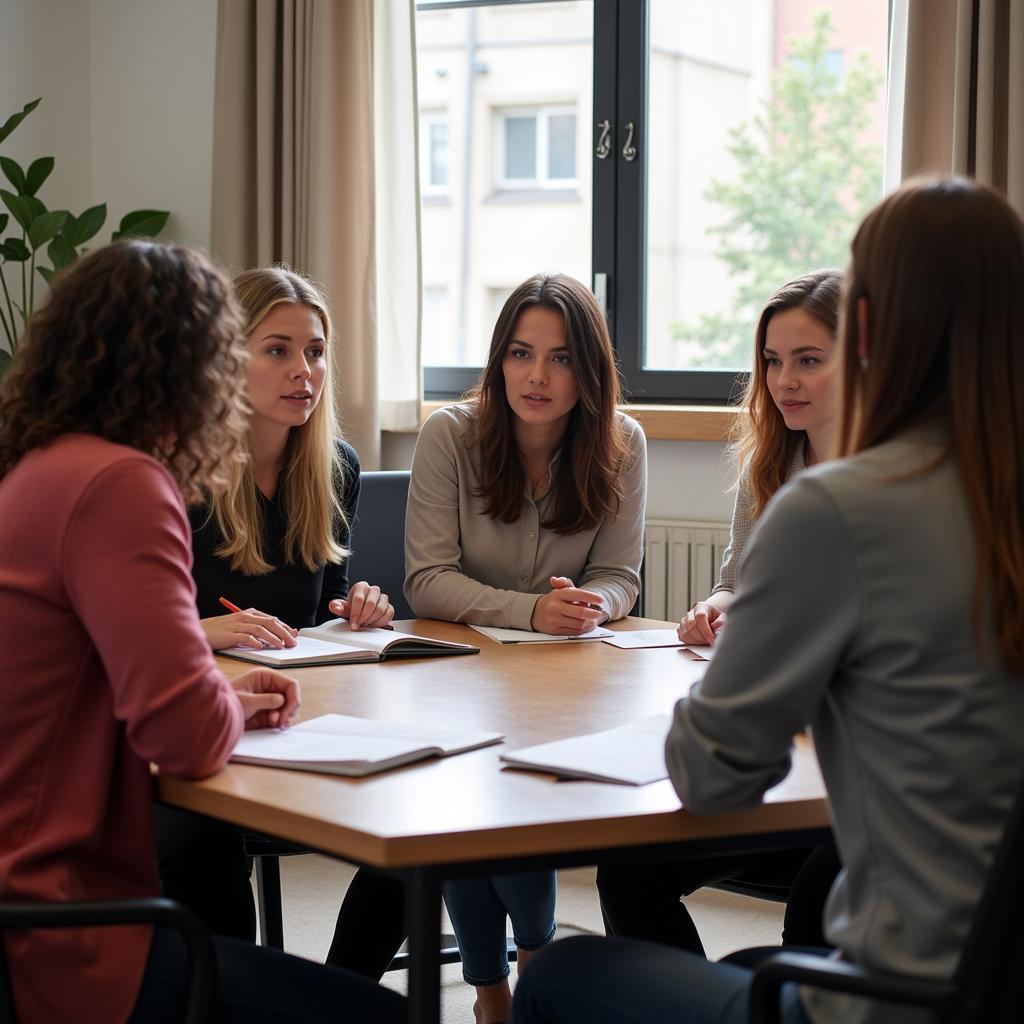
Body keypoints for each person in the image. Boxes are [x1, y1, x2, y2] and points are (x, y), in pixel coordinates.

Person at [512, 177, 1024, 1024]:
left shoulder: (841, 509)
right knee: (747, 955)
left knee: (560, 976)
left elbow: (712, 773)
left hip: (892, 1000)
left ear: (864, 328)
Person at [0, 240, 405, 1023]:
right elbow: (184, 736)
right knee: (379, 1015)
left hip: (33, 883)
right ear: (186, 366)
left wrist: (217, 691)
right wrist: (216, 696)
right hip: (61, 922)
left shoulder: (42, 468)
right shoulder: (124, 485)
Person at [405, 272, 647, 1022]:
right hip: (458, 675)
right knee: (470, 798)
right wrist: (530, 610)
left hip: (562, 680)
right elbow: (425, 580)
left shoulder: (623, 443)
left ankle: (516, 977)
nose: (536, 376)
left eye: (561, 358)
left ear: (591, 371)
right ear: (497, 360)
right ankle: (502, 983)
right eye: (519, 353)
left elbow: (618, 576)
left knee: (516, 795)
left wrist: (589, 605)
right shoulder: (451, 434)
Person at [154, 265, 404, 981]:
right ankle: (234, 994)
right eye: (278, 350)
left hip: (291, 717)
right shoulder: (176, 471)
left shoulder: (335, 469)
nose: (304, 370)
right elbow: (118, 633)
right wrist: (206, 629)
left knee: (421, 826)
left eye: (316, 352)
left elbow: (324, 604)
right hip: (197, 725)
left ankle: (339, 993)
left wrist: (358, 612)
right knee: (197, 837)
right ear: (226, 356)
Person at [597, 271, 843, 957]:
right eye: (771, 361)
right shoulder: (773, 458)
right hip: (786, 757)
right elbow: (739, 581)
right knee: (631, 869)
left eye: (808, 360)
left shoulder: (891, 487)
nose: (784, 380)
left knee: (823, 895)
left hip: (846, 782)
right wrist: (717, 607)